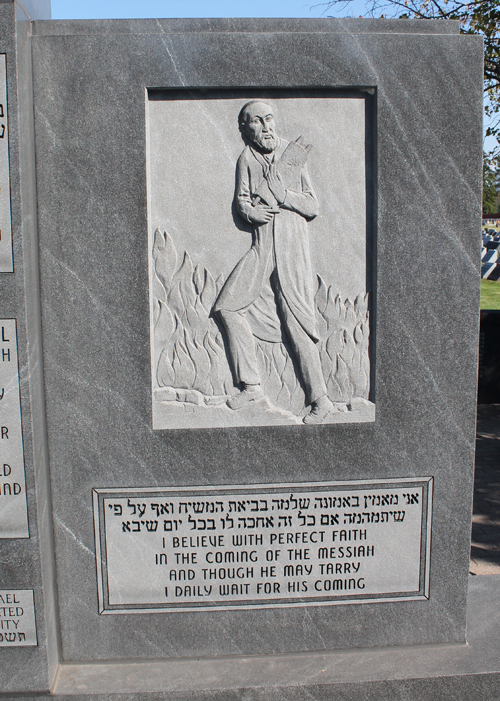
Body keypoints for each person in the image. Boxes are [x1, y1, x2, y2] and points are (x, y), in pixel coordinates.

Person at [214, 100, 334, 424]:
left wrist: (284, 196)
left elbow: (313, 206)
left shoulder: (293, 156)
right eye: (257, 122)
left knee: (298, 321)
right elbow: (241, 199)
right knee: (227, 307)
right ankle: (251, 385)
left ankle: (321, 400)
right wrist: (251, 211)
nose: (266, 127)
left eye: (269, 119)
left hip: (292, 247)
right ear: (245, 129)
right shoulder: (246, 159)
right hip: (263, 246)